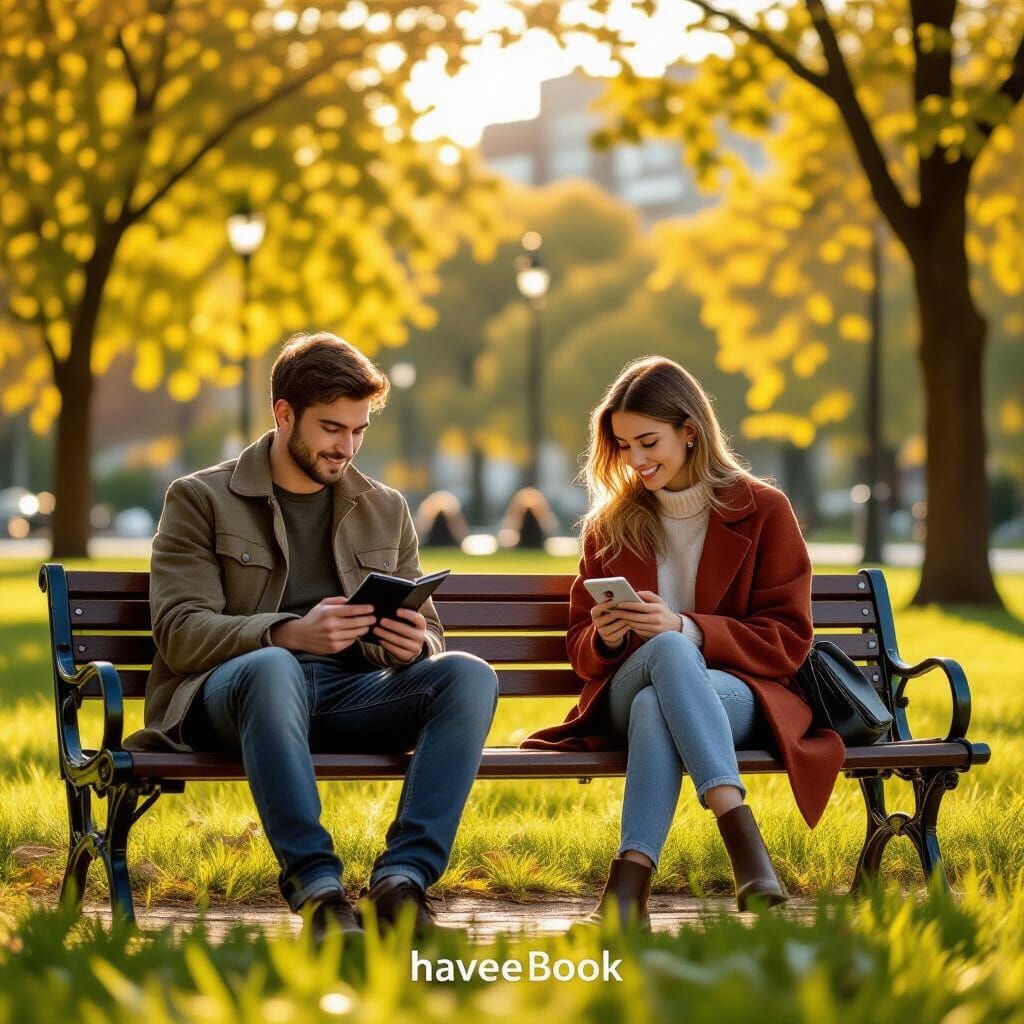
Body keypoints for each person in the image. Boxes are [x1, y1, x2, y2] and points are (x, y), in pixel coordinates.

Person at [125, 332, 499, 943]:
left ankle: (402, 885)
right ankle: (320, 894)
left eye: (358, 431)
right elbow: (180, 633)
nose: (346, 447)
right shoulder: (200, 499)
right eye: (331, 429)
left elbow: (428, 628)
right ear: (283, 414)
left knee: (467, 673)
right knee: (274, 667)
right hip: (231, 697)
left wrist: (414, 646)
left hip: (350, 695)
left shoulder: (384, 507)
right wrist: (290, 632)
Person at [521, 356, 844, 927]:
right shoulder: (610, 524)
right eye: (623, 446)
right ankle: (743, 840)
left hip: (738, 693)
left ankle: (626, 893)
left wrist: (686, 628)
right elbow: (580, 651)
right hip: (626, 688)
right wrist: (608, 637)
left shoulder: (765, 511)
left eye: (649, 442)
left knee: (663, 684)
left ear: (690, 431)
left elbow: (788, 638)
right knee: (662, 662)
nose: (636, 460)